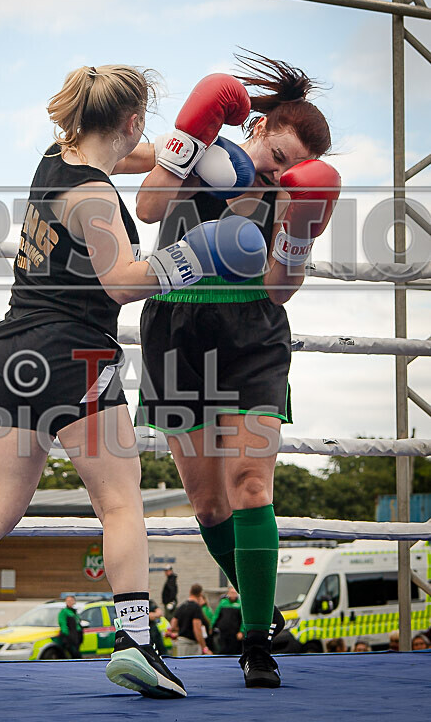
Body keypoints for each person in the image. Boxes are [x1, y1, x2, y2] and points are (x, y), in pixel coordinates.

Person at [0, 65, 265, 699]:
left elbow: (137, 156)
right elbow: (121, 282)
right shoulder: (94, 197)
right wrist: (195, 256)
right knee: (120, 503)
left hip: (9, 353)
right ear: (132, 119)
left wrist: (192, 152)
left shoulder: (54, 159)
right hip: (75, 354)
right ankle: (136, 640)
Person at [134, 53, 340, 689]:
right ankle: (266, 610)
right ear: (255, 128)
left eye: (291, 167)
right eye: (276, 155)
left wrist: (297, 233)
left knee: (251, 482)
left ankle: (255, 643)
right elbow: (140, 196)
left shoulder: (292, 194)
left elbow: (280, 291)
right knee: (206, 500)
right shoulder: (205, 151)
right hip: (175, 326)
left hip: (251, 331)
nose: (278, 171)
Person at [169, 583, 212, 656]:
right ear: (200, 593)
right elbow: (197, 629)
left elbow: (173, 625)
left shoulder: (182, 606)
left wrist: (182, 629)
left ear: (190, 591)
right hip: (191, 645)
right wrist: (204, 647)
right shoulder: (196, 607)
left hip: (181, 643)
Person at [211, 586, 243, 655]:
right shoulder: (223, 603)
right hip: (223, 632)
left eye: (234, 593)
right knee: (222, 650)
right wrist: (212, 626)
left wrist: (241, 631)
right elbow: (216, 615)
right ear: (228, 593)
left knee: (234, 651)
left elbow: (243, 620)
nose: (233, 595)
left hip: (235, 634)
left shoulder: (240, 604)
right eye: (231, 593)